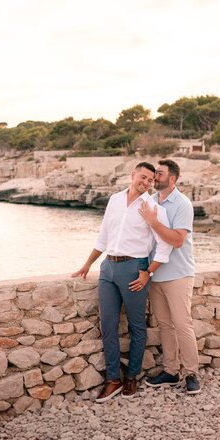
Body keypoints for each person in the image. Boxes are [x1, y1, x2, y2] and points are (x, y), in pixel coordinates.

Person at [72, 162, 172, 403]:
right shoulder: (115, 200)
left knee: (137, 326)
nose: (146, 182)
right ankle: (113, 379)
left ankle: (132, 377)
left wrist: (147, 272)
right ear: (133, 174)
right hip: (108, 267)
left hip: (134, 269)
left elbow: (165, 246)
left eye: (150, 180)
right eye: (143, 177)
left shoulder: (153, 208)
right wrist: (88, 263)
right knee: (108, 325)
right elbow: (104, 235)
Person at [138, 159, 201, 395]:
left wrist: (153, 222)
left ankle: (191, 374)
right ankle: (171, 371)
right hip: (155, 274)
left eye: (160, 173)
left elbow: (177, 240)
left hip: (178, 274)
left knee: (182, 324)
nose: (155, 177)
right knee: (165, 325)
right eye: (155, 173)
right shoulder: (151, 201)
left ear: (172, 178)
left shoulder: (182, 204)